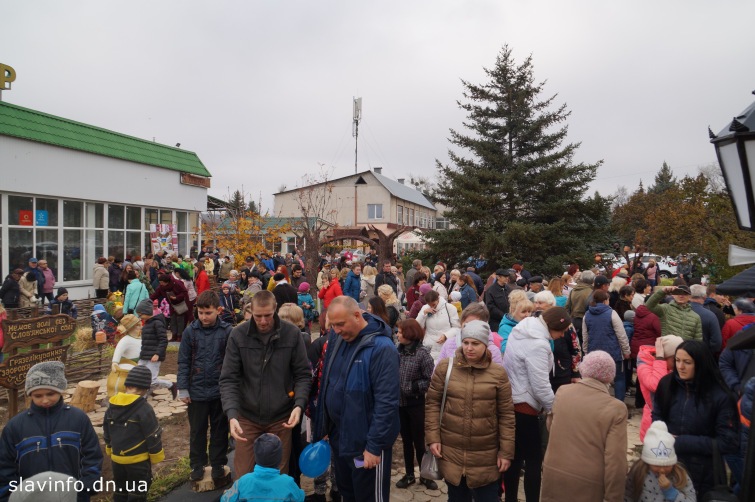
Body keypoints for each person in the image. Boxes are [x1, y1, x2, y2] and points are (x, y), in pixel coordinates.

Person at [312, 296, 399, 502]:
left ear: (358, 315)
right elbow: (327, 382)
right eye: (333, 325)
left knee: (368, 496)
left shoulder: (382, 348)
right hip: (341, 440)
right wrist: (324, 425)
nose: (336, 330)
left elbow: (386, 403)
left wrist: (374, 447)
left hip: (365, 448)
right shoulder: (338, 339)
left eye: (341, 324)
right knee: (347, 493)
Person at [220, 291, 311, 476]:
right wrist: (232, 414)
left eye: (268, 315)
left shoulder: (291, 334)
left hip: (281, 417)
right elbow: (229, 378)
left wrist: (299, 405)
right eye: (258, 316)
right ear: (250, 311)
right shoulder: (238, 335)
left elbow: (303, 375)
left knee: (278, 475)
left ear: (275, 309)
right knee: (243, 474)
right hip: (247, 416)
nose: (263, 321)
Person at [425, 320, 515, 501]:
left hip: (485, 456)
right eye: (466, 342)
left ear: (485, 345)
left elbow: (506, 416)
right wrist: (433, 438)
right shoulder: (446, 368)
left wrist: (506, 452)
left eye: (475, 343)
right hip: (452, 452)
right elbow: (433, 404)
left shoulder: (498, 373)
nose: (469, 348)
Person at [0, 362, 103, 502]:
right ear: (30, 395)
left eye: (50, 394)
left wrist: (86, 487)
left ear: (60, 390)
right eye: (38, 396)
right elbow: (5, 466)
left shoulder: (78, 419)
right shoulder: (15, 426)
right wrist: (8, 496)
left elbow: (92, 455)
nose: (45, 400)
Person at [502, 307, 572, 502]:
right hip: (526, 405)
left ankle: (510, 498)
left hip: (513, 398)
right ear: (552, 326)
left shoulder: (523, 328)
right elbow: (540, 385)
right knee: (533, 460)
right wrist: (554, 409)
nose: (562, 335)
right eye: (562, 331)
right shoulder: (538, 345)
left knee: (515, 457)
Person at [652, 340, 739, 496]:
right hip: (666, 465)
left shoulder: (719, 396)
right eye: (677, 360)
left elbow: (728, 442)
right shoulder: (667, 384)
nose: (680, 367)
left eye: (687, 362)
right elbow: (657, 415)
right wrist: (659, 433)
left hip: (703, 473)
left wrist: (682, 442)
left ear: (700, 364)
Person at [541, 351, 628, 502]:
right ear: (610, 376)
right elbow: (616, 460)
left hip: (554, 475)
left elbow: (551, 426)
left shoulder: (563, 392)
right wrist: (613, 497)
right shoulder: (616, 408)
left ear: (584, 369)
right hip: (588, 484)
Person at [178, 290, 233, 482]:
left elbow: (232, 363)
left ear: (218, 310)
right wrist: (183, 388)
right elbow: (183, 361)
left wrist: (232, 390)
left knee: (220, 430)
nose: (204, 317)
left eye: (208, 313)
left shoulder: (227, 332)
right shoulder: (190, 332)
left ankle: (218, 463)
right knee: (197, 431)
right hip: (196, 391)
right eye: (200, 313)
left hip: (219, 391)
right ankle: (197, 464)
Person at [103, 365, 164, 502]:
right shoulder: (144, 409)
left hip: (117, 459)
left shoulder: (111, 407)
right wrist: (156, 454)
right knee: (138, 491)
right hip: (138, 460)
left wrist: (109, 447)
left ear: (126, 385)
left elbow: (107, 430)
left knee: (120, 489)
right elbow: (152, 434)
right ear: (145, 389)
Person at [394, 319, 436, 490]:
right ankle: (409, 474)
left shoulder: (422, 355)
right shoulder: (397, 352)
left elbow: (429, 380)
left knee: (419, 441)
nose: (397, 335)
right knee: (406, 441)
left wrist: (412, 387)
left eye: (400, 332)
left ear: (410, 333)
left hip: (416, 404)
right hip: (400, 404)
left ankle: (425, 476)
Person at [625, 421, 696, 502]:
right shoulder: (638, 472)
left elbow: (692, 499)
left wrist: (670, 491)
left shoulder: (680, 476)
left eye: (667, 465)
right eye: (656, 465)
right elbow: (628, 496)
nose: (662, 470)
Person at [220, 434, 304, 502]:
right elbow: (300, 498)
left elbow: (225, 499)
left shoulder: (243, 481)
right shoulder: (288, 482)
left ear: (255, 457)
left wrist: (226, 493)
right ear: (280, 458)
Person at [583, 290, 631, 402]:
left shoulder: (587, 315)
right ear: (605, 301)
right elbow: (621, 335)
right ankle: (619, 404)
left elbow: (585, 336)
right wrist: (626, 351)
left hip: (594, 353)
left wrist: (586, 352)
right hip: (613, 352)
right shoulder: (612, 313)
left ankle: (598, 403)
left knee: (596, 381)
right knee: (619, 378)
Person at [636, 335, 684, 441]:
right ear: (665, 356)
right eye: (675, 360)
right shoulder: (644, 366)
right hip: (653, 422)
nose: (678, 365)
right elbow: (657, 385)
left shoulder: (669, 367)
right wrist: (660, 359)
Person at [134, 299, 177, 398]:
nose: (140, 317)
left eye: (141, 315)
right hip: (144, 355)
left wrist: (157, 354)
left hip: (154, 356)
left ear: (147, 312)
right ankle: (142, 397)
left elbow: (163, 340)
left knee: (152, 380)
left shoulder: (157, 323)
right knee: (139, 376)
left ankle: (171, 385)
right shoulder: (147, 324)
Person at [416, 290, 461, 362]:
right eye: (429, 305)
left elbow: (457, 327)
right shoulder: (425, 308)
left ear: (438, 299)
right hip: (429, 346)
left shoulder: (450, 308)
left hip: (445, 346)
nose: (432, 306)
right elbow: (417, 326)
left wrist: (446, 335)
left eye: (433, 304)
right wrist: (423, 314)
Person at [688, 284, 723, 355]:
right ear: (704, 296)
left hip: (682, 353)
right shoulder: (710, 315)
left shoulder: (679, 311)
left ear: (689, 295)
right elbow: (717, 342)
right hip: (703, 354)